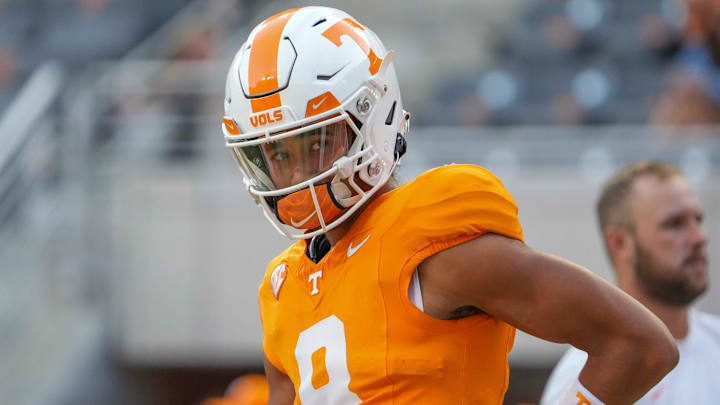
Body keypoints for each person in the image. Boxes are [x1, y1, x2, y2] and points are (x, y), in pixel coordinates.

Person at [221, 7, 678, 404]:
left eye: (316, 142)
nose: (299, 174)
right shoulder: (282, 288)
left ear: (371, 115)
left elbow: (637, 345)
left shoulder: (431, 239)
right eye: (278, 154)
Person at [540, 161, 720, 405]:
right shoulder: (588, 378)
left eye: (697, 220)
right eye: (675, 224)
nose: (699, 238)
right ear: (620, 243)